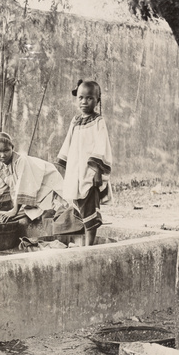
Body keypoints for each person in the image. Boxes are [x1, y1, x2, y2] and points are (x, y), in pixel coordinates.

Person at [56, 80, 113, 246]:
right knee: (79, 203)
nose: (84, 101)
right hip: (76, 171)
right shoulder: (75, 121)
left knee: (89, 205)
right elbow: (69, 142)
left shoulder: (98, 121)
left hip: (89, 173)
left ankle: (89, 243)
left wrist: (97, 172)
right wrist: (64, 163)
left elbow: (102, 146)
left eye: (89, 98)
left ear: (97, 100)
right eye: (80, 97)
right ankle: (82, 239)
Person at [0, 132, 64, 227]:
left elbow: (23, 186)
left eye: (6, 150)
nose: (3, 155)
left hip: (47, 188)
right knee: (8, 218)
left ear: (12, 148)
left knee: (45, 215)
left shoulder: (21, 161)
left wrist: (15, 210)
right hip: (35, 194)